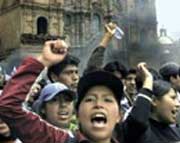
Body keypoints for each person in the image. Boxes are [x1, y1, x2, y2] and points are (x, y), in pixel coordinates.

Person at [0, 39, 155, 143]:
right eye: (89, 99)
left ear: (119, 116)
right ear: (77, 112)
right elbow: (9, 107)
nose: (98, 105)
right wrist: (42, 61)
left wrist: (148, 82)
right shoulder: (60, 140)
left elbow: (139, 118)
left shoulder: (125, 137)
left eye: (107, 99)